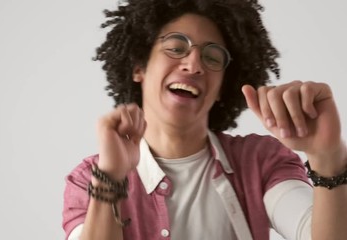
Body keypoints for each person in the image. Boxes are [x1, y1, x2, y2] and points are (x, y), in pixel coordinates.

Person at [62, 0, 347, 239]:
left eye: (212, 57)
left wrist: (328, 158)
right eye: (175, 47)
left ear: (224, 85)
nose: (194, 64)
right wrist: (110, 178)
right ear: (139, 67)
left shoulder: (261, 161)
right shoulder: (89, 179)